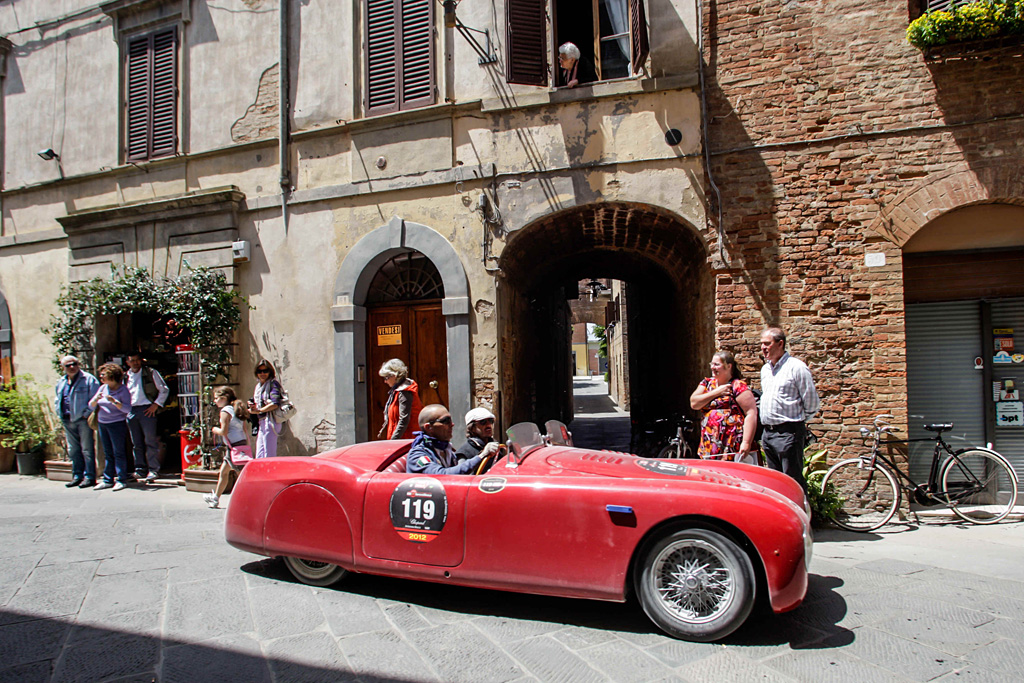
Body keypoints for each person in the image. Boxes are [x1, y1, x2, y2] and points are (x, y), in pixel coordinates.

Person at [759, 326, 821, 490]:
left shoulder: (796, 367)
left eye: (767, 344)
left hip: (788, 432)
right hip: (768, 434)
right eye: (762, 344)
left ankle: (800, 514)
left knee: (792, 483)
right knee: (774, 483)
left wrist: (795, 423)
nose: (763, 348)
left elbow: (812, 403)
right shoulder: (765, 369)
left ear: (780, 344)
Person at [690, 351, 758, 462]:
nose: (712, 367)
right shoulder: (707, 384)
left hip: (731, 444)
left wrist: (746, 442)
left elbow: (751, 413)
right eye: (711, 364)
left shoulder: (737, 386)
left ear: (728, 366)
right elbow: (694, 403)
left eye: (717, 364)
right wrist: (717, 392)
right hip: (710, 444)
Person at [54, 355, 100, 488]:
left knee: (87, 449)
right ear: (63, 368)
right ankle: (77, 475)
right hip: (67, 419)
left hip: (82, 420)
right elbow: (58, 398)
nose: (72, 367)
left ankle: (90, 476)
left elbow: (95, 398)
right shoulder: (61, 381)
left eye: (74, 364)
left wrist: (86, 415)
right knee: (73, 449)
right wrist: (60, 413)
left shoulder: (88, 379)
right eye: (68, 365)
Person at [204, 386, 253, 509]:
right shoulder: (234, 409)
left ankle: (250, 499)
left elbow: (224, 431)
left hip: (233, 447)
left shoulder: (225, 411)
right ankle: (215, 497)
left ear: (224, 398)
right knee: (224, 472)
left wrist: (215, 430)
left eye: (216, 398)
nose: (215, 401)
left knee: (241, 475)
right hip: (238, 445)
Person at [125, 352, 169, 483]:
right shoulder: (125, 376)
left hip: (146, 409)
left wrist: (156, 405)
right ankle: (140, 469)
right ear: (128, 362)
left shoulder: (150, 372)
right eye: (132, 360)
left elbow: (164, 389)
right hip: (132, 410)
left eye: (137, 360)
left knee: (150, 441)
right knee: (136, 443)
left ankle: (153, 469)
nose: (135, 363)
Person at [88, 363, 132, 491]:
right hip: (103, 423)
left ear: (112, 377)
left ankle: (121, 479)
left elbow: (127, 409)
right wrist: (96, 399)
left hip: (117, 424)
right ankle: (107, 479)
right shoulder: (102, 388)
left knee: (118, 452)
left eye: (104, 376)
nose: (101, 379)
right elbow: (90, 405)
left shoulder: (122, 390)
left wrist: (115, 402)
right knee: (107, 452)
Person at [407, 404, 485, 475]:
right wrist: (481, 457)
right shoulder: (417, 455)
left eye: (450, 420)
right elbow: (441, 475)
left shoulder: (447, 450)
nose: (452, 424)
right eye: (446, 421)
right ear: (428, 427)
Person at [377, 358, 423, 440]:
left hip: (406, 440)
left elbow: (404, 420)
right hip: (401, 438)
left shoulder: (404, 392)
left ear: (394, 375)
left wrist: (393, 441)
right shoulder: (397, 391)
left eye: (386, 378)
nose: (385, 381)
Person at [247, 359, 282, 459]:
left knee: (269, 454)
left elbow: (275, 403)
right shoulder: (258, 387)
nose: (262, 373)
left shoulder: (273, 384)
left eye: (265, 371)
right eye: (259, 371)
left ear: (270, 372)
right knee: (260, 454)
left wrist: (259, 410)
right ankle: (261, 473)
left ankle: (270, 473)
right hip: (261, 421)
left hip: (271, 421)